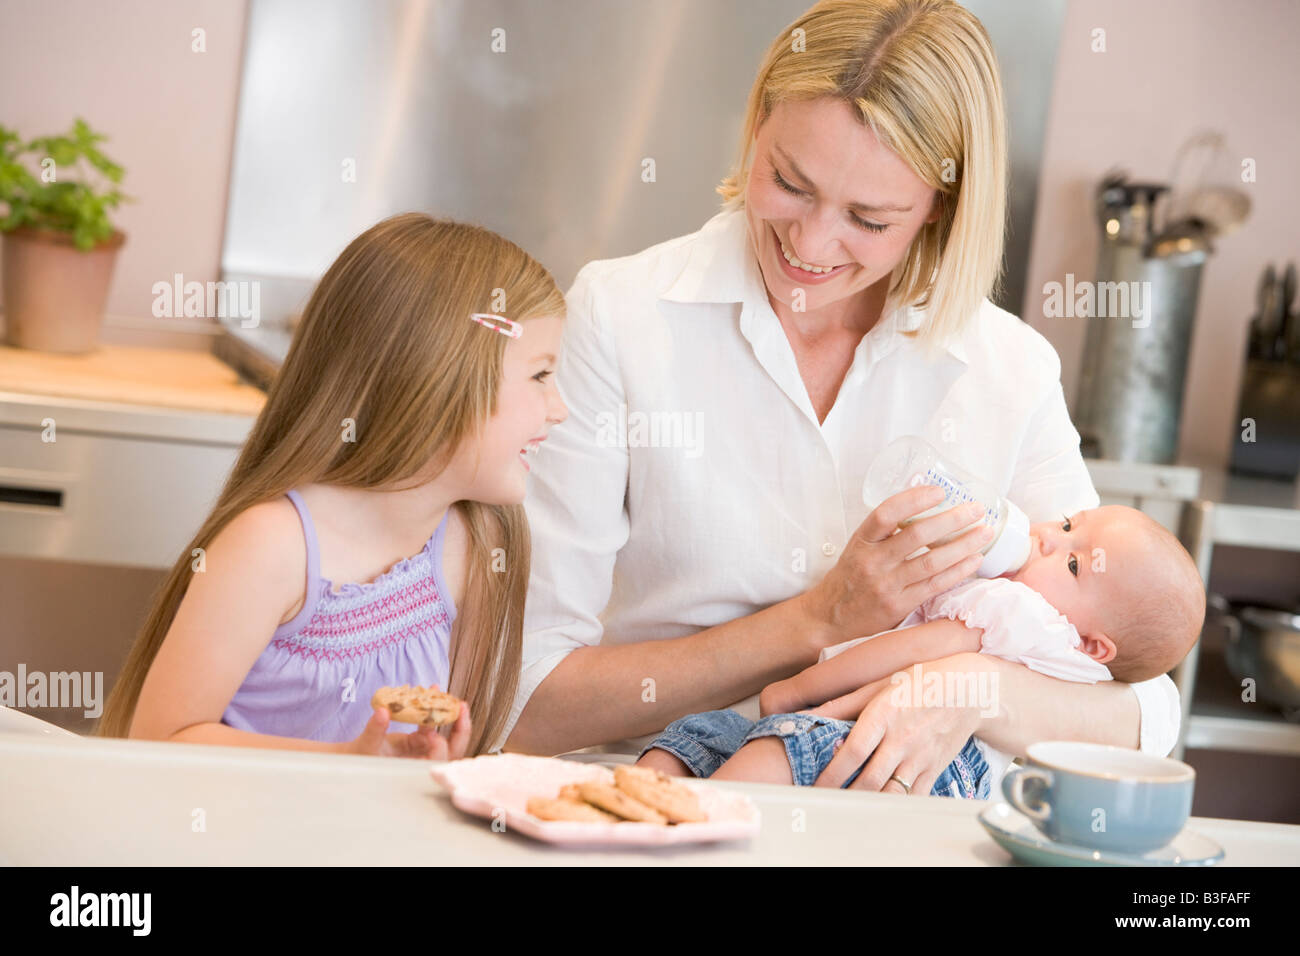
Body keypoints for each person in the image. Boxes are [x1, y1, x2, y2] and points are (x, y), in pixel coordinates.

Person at [501, 0, 1184, 798]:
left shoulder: (1007, 367)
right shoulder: (621, 318)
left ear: (942, 207)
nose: (812, 245)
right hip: (655, 806)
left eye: (869, 218)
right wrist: (818, 621)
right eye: (790, 182)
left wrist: (963, 686)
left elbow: (1142, 706)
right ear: (757, 124)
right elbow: (521, 700)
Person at [97, 214, 569, 758]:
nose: (560, 409)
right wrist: (347, 763)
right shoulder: (272, 546)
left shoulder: (476, 541)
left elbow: (448, 747)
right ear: (435, 375)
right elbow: (160, 740)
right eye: (540, 375)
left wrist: (423, 757)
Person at [635, 505, 1206, 792]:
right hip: (875, 743)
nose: (1048, 537)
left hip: (895, 746)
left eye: (1074, 560)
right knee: (694, 744)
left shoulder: (1022, 613)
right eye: (1066, 524)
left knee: (754, 760)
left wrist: (798, 688)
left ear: (1091, 643)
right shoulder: (1054, 626)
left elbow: (909, 651)